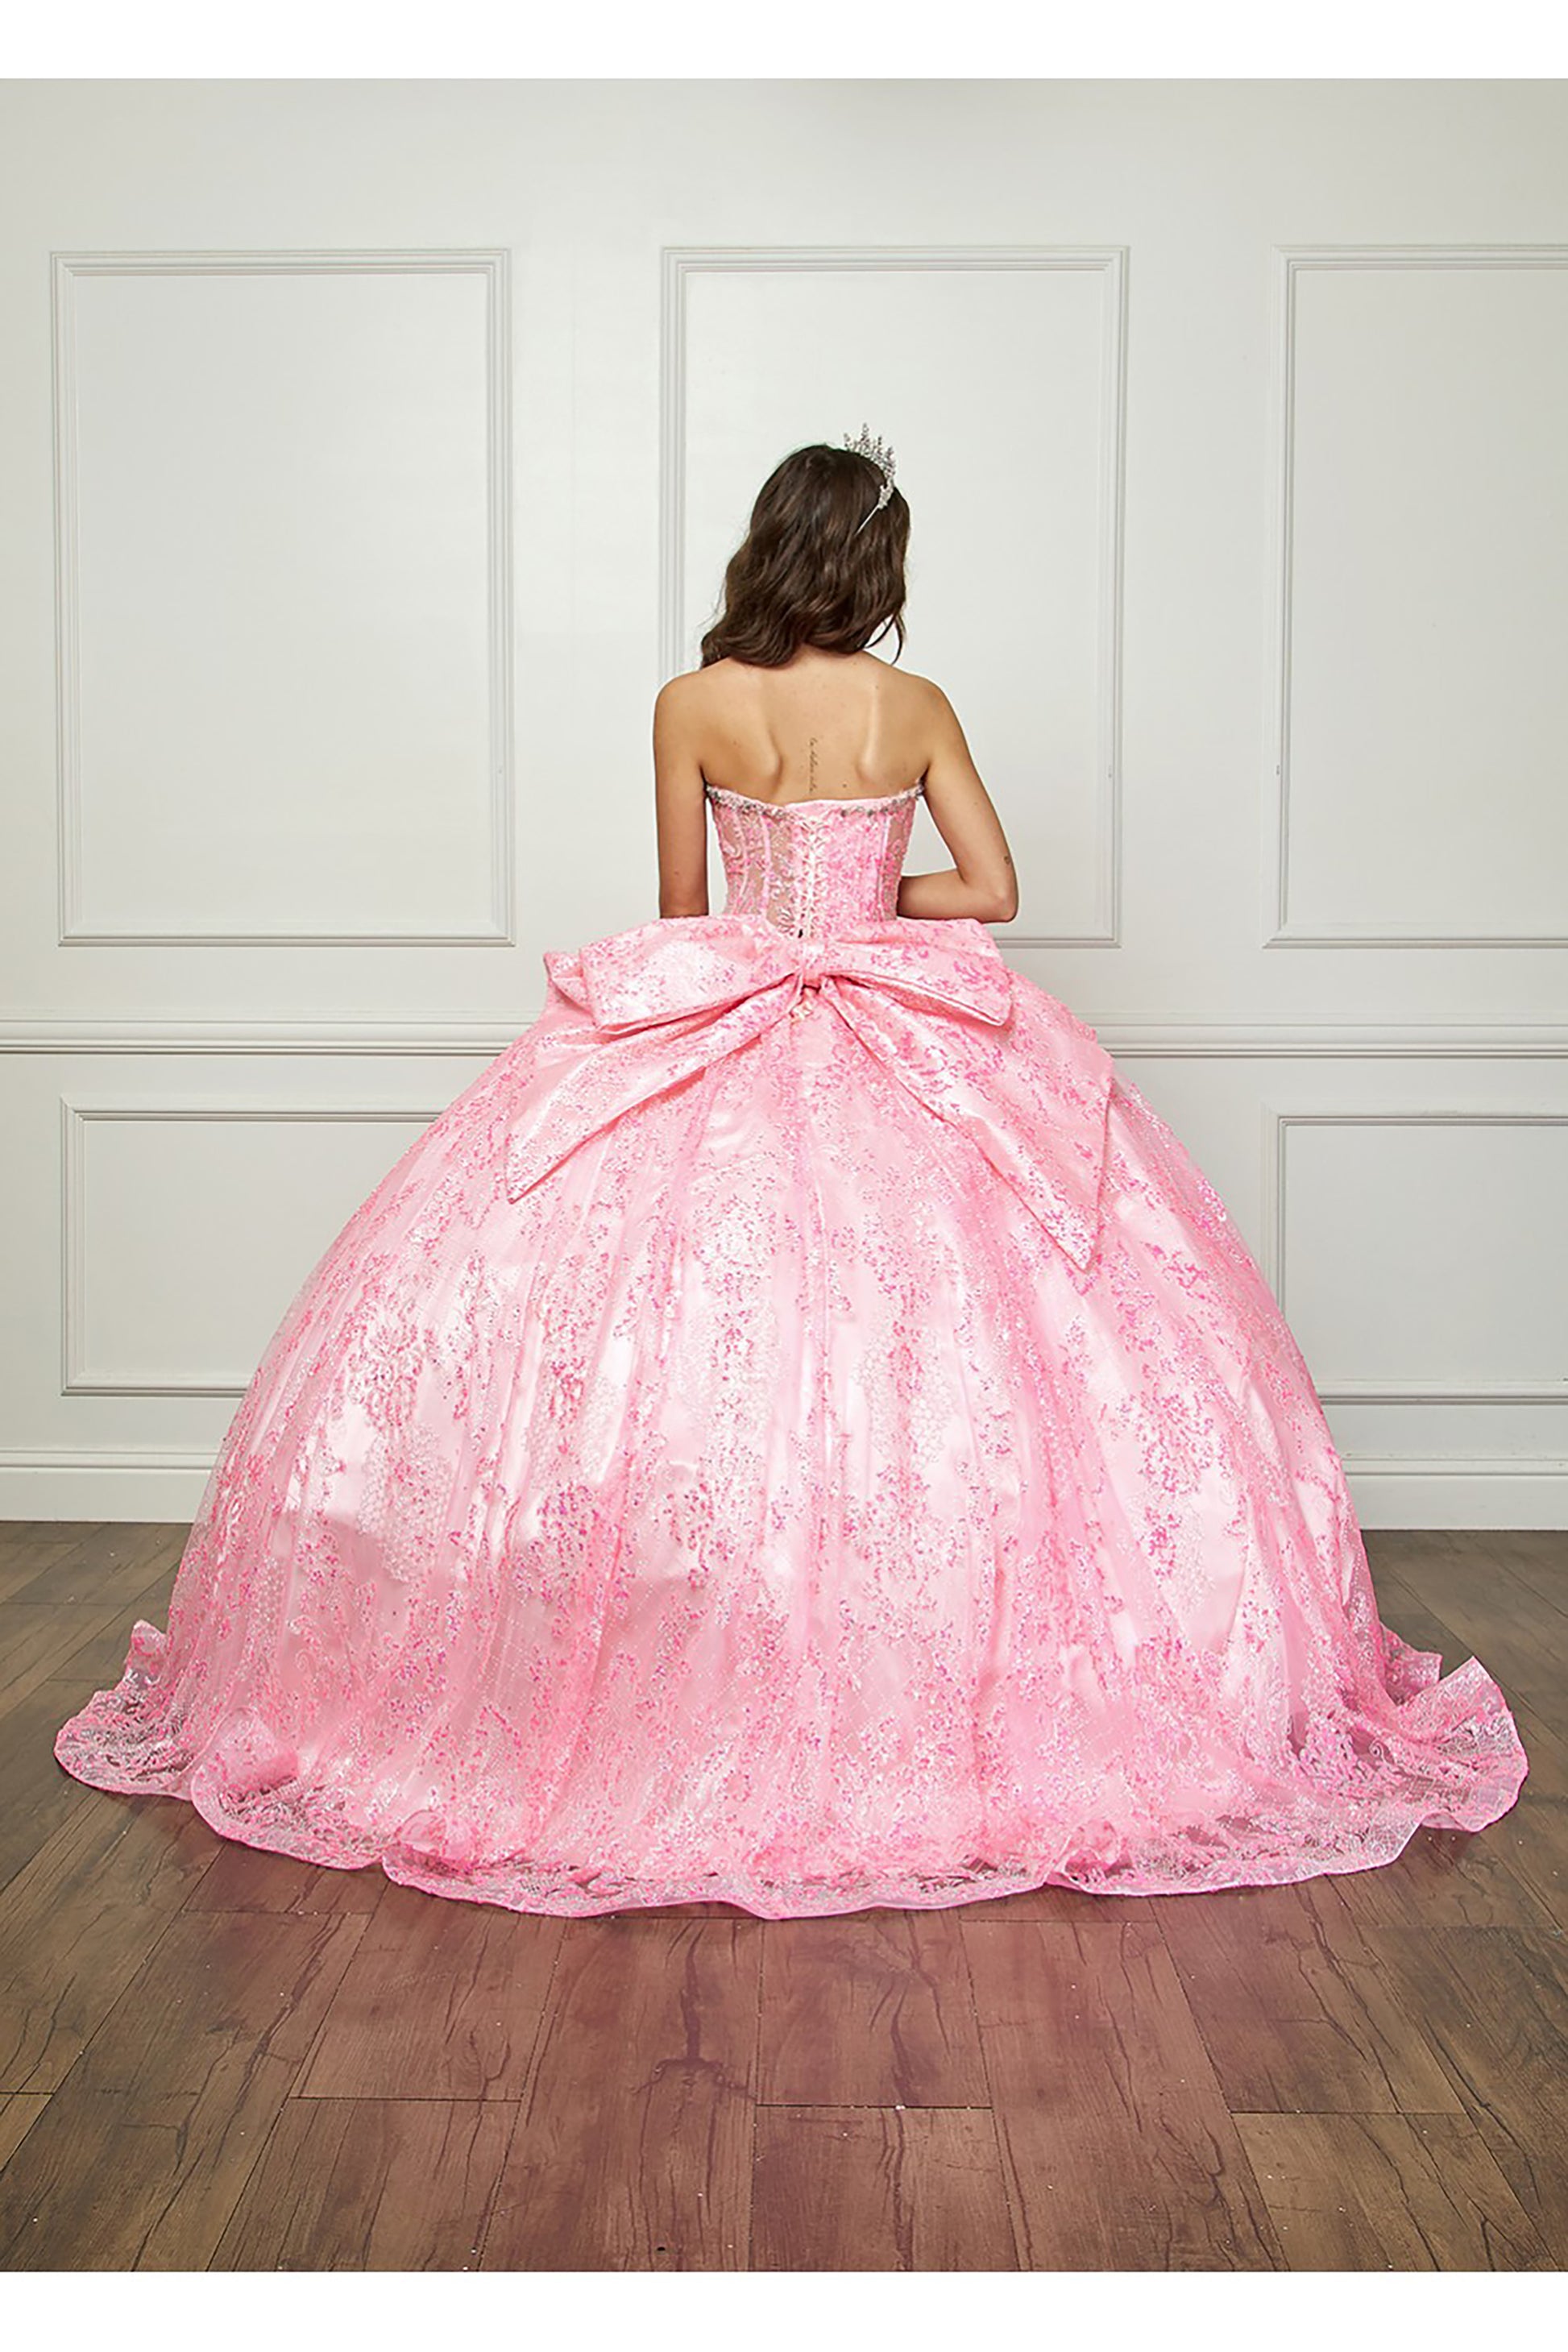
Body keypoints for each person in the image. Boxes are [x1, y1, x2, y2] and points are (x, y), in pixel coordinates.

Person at [53, 433, 1528, 1919]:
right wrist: (870, 895)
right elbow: (995, 892)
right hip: (902, 1009)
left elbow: (682, 911)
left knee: (668, 1334)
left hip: (735, 999)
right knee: (975, 1340)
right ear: (877, 566)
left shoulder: (691, 702)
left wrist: (792, 904)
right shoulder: (914, 704)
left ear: (765, 548)